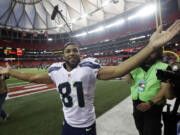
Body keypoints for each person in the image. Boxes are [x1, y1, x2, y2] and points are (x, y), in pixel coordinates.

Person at [0, 20, 179, 135]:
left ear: (80, 54)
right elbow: (32, 78)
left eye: (75, 50)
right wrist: (10, 71)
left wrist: (150, 46)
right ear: (62, 56)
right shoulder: (55, 71)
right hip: (67, 125)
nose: (72, 53)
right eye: (68, 51)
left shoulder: (89, 67)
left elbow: (119, 70)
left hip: (85, 126)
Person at [125, 48, 173, 135]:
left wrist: (150, 103)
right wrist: (127, 69)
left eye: (152, 53)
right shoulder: (136, 67)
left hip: (153, 105)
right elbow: (129, 82)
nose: (148, 55)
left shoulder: (164, 67)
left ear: (157, 54)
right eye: (147, 53)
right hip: (136, 103)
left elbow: (164, 88)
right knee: (140, 127)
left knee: (152, 131)